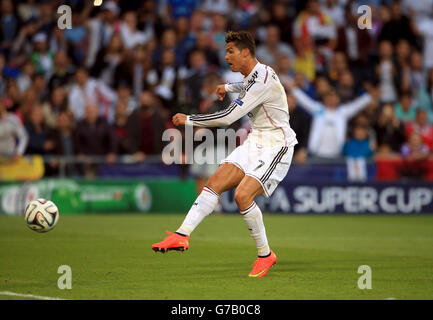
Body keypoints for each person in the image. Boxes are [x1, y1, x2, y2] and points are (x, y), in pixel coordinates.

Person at [152, 31, 298, 278]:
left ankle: (265, 254)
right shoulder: (257, 74)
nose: (226, 56)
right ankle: (182, 234)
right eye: (225, 51)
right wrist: (227, 86)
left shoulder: (261, 79)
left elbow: (228, 117)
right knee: (214, 183)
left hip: (277, 145)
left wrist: (189, 119)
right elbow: (246, 85)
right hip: (255, 141)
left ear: (245, 53)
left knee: (242, 195)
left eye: (231, 51)